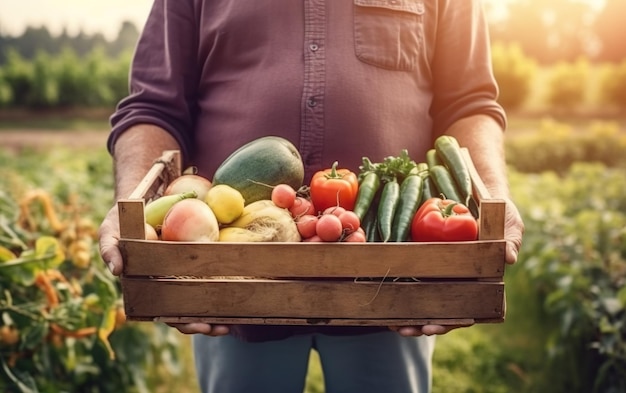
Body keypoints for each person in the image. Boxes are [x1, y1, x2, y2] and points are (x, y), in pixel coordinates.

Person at [98, 0, 524, 392]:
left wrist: (493, 196)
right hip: (228, 275)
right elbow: (153, 107)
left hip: (396, 279)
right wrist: (132, 207)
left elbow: (469, 103)